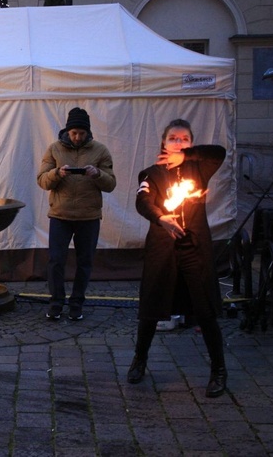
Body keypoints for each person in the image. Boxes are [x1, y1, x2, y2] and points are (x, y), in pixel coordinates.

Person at [127, 119, 228, 398]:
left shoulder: (199, 168)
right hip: (163, 247)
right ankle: (139, 360)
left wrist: (188, 156)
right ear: (163, 142)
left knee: (205, 310)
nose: (179, 142)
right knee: (151, 307)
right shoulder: (152, 173)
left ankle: (219, 370)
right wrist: (161, 218)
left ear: (191, 143)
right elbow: (142, 201)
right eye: (173, 138)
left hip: (195, 248)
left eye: (185, 138)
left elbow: (218, 152)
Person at [37, 107, 116, 321]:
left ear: (88, 132)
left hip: (88, 217)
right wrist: (57, 173)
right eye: (74, 133)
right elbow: (42, 181)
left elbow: (111, 184)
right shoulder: (54, 149)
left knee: (85, 261)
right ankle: (56, 303)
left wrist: (97, 174)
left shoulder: (100, 150)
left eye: (82, 133)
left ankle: (76, 303)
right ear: (67, 131)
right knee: (55, 260)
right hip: (60, 216)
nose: (78, 137)